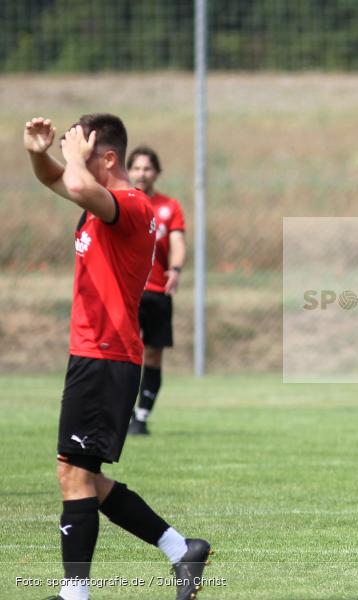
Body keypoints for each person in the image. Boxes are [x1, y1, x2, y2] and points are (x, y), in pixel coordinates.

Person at [24, 114, 210, 600]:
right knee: (83, 475)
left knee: (74, 474)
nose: (74, 163)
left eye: (84, 153)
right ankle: (180, 549)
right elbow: (54, 178)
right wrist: (40, 151)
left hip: (106, 355)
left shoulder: (128, 204)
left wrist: (72, 157)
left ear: (107, 158)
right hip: (94, 354)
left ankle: (75, 594)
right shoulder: (99, 198)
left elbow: (81, 185)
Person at [126, 146, 186, 436]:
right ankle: (119, 415)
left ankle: (141, 416)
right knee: (123, 354)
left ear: (157, 173)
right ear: (128, 171)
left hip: (156, 292)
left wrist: (174, 270)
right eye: (136, 168)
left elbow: (177, 244)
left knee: (152, 356)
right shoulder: (120, 203)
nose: (141, 173)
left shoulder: (169, 207)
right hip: (127, 291)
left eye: (147, 168)